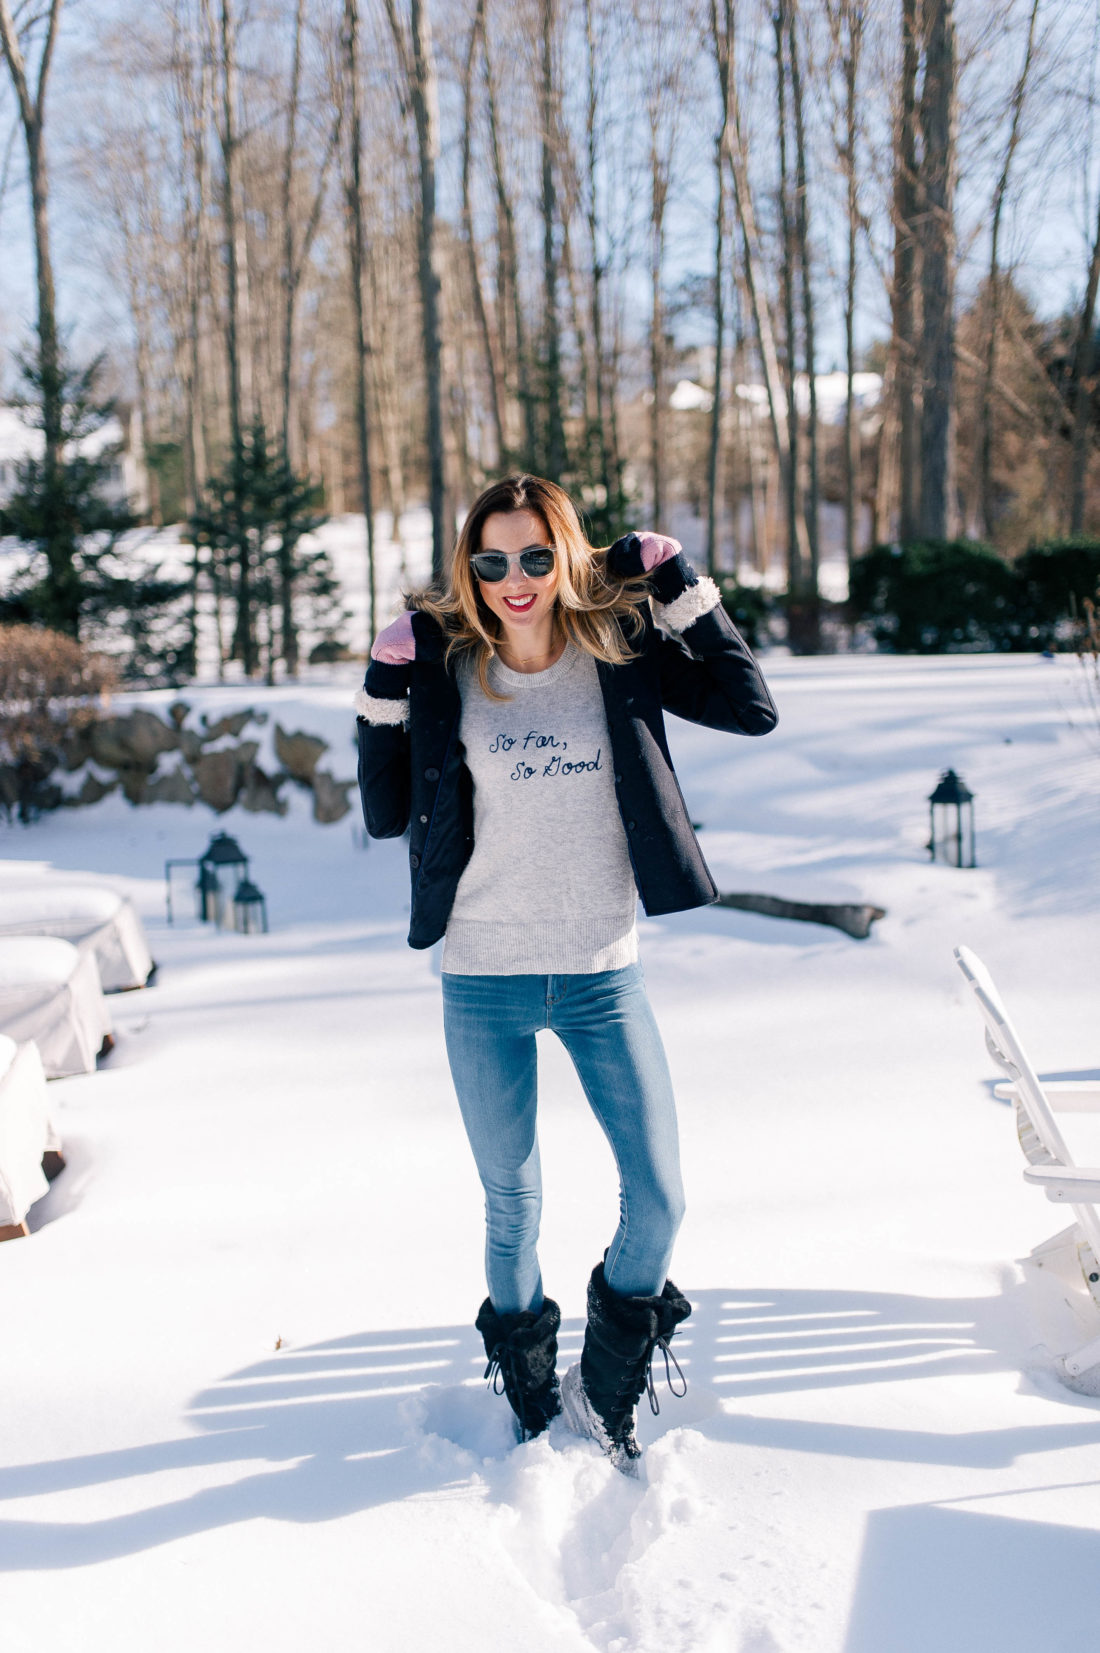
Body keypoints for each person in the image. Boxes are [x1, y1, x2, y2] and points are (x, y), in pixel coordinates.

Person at [355, 473, 777, 1474]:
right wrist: (380, 678)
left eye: (536, 557)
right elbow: (381, 812)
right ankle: (533, 1385)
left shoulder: (617, 652)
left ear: (566, 558)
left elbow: (746, 705)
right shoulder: (446, 666)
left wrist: (677, 583)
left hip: (600, 975)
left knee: (659, 1199)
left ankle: (613, 1368)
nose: (513, 579)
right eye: (490, 561)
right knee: (511, 1205)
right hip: (483, 977)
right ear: (469, 569)